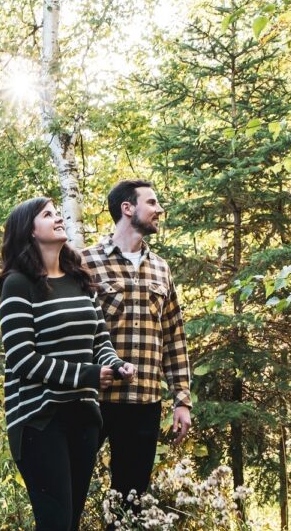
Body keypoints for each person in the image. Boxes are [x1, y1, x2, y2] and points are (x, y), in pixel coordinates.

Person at [0, 197, 136, 531]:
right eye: (48, 215)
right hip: (38, 419)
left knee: (69, 522)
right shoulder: (18, 284)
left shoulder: (79, 279)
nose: (58, 218)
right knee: (55, 523)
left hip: (83, 415)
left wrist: (116, 365)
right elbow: (22, 359)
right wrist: (88, 375)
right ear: (30, 231)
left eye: (58, 213)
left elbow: (99, 341)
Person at [82, 179, 192, 508]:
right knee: (70, 485)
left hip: (144, 401)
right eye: (152, 203)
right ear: (127, 208)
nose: (160, 210)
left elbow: (173, 335)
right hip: (93, 399)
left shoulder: (161, 268)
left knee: (131, 500)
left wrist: (182, 400)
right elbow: (72, 331)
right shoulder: (86, 262)